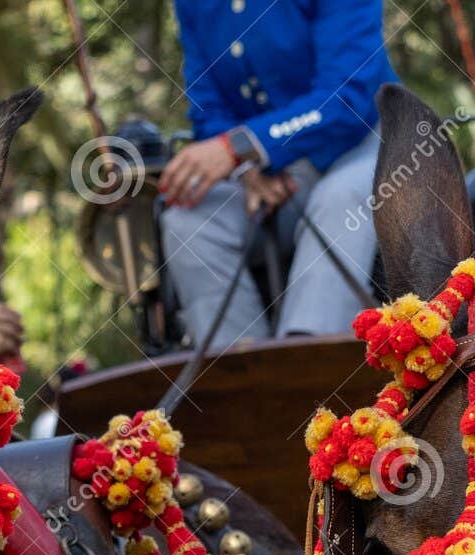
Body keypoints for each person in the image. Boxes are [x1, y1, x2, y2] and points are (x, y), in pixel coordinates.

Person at [158, 0, 395, 349]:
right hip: (268, 168)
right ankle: (240, 376)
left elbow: (345, 98)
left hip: (367, 143)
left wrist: (246, 146)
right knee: (188, 221)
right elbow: (207, 104)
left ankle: (309, 368)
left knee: (338, 199)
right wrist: (247, 167)